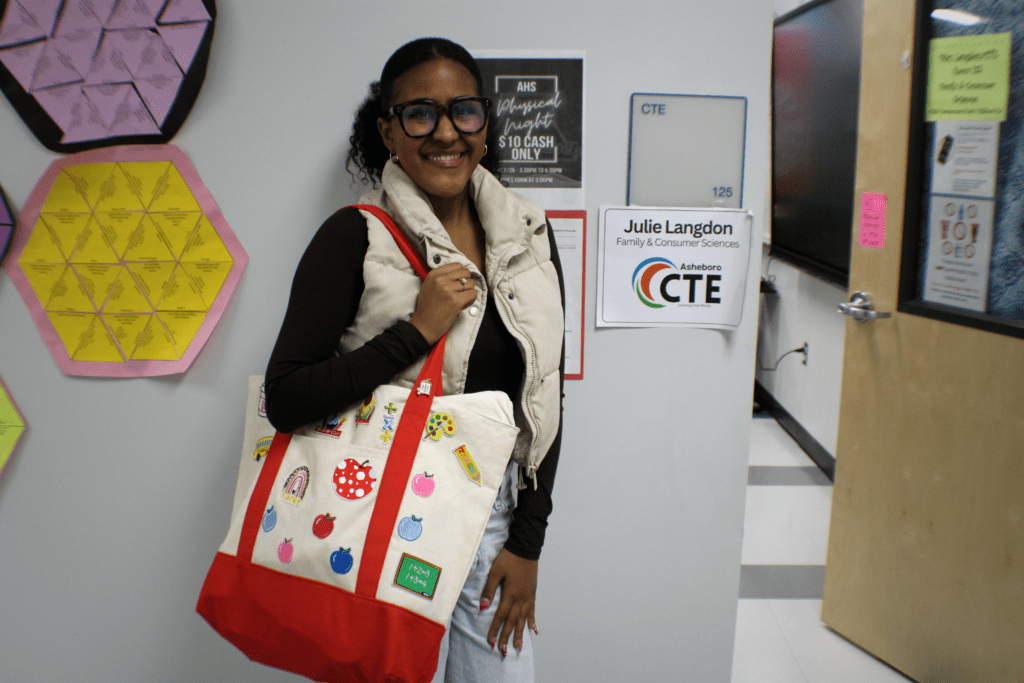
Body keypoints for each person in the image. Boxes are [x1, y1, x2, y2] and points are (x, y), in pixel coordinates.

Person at [263, 37, 565, 683]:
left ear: (485, 123)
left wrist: (527, 540)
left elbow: (546, 392)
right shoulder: (354, 234)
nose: (446, 132)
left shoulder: (529, 234)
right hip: (379, 519)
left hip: (495, 525)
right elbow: (285, 396)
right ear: (388, 131)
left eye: (465, 111)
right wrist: (416, 330)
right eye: (421, 113)